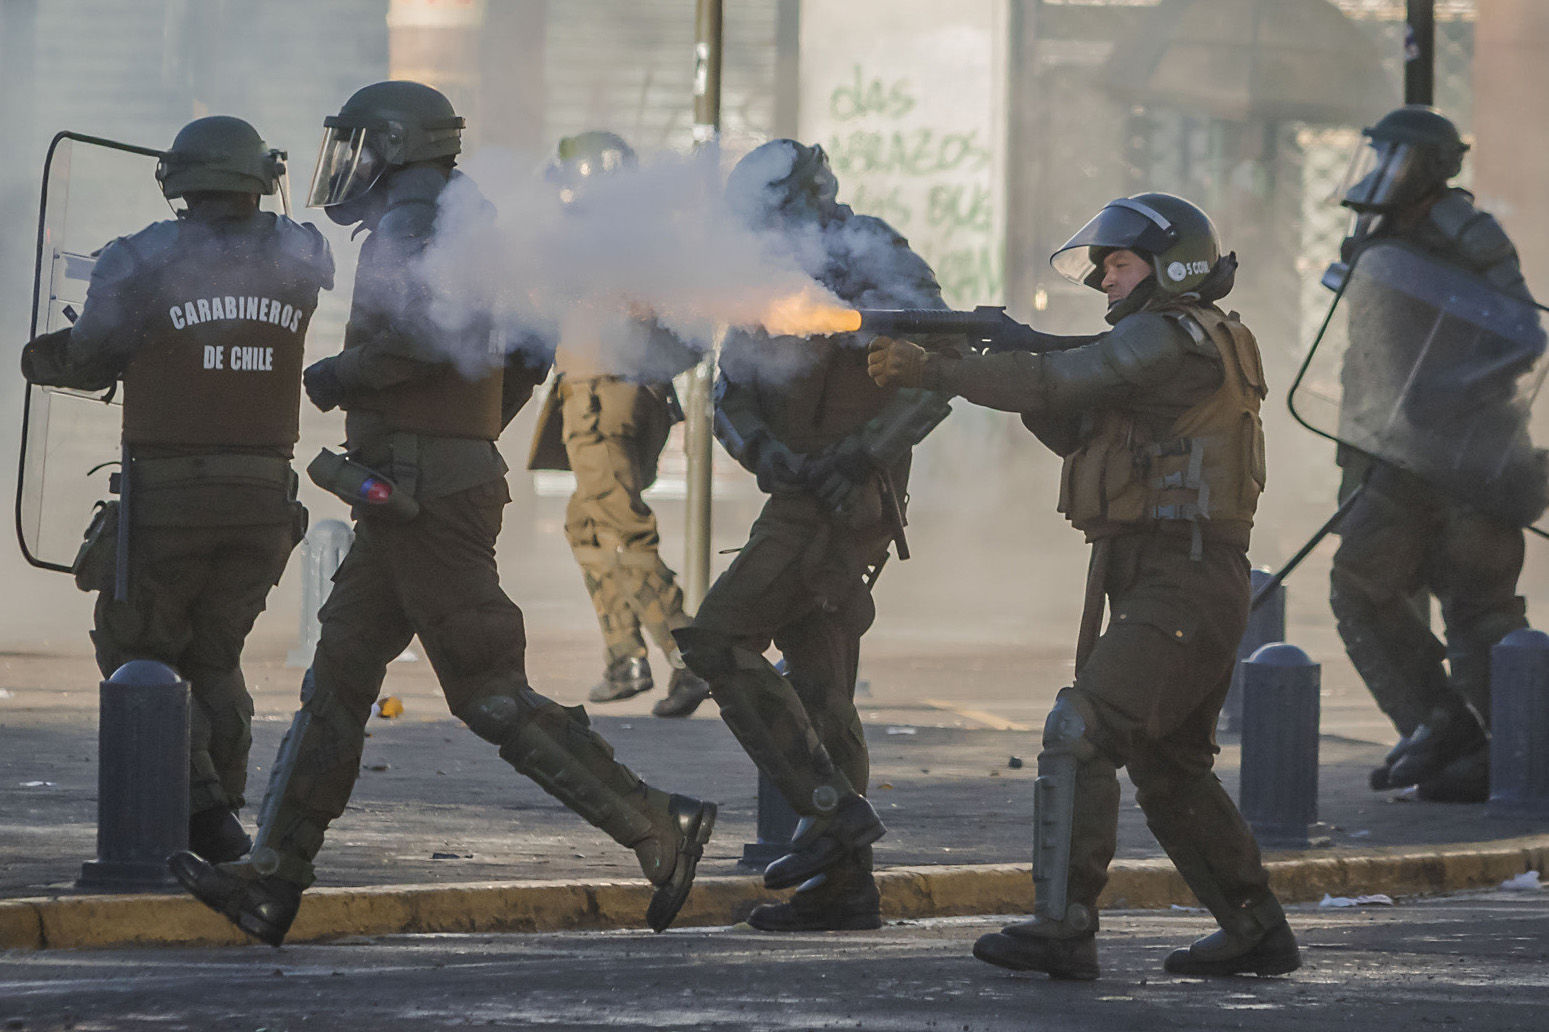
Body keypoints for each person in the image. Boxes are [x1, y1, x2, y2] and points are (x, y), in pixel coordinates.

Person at [169, 81, 715, 946]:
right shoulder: (471, 222)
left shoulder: (414, 226)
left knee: (488, 692)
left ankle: (656, 825)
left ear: (392, 144)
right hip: (418, 482)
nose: (347, 164)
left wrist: (338, 379)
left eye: (358, 145)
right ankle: (272, 880)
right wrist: (470, 433)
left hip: (425, 494)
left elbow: (425, 338)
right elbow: (531, 346)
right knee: (339, 681)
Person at [869, 193, 1299, 979]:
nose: (1104, 278)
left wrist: (937, 368)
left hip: (1182, 577)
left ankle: (1061, 928)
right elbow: (1071, 422)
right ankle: (1254, 929)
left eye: (1120, 263)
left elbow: (1056, 381)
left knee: (1081, 728)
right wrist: (981, 360)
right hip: (1170, 576)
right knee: (1170, 770)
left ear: (1172, 269)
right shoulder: (1170, 347)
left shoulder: (1170, 339)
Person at [21, 116, 333, 864]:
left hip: (172, 497)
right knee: (215, 656)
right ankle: (221, 816)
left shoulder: (141, 258)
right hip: (264, 498)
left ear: (179, 182)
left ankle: (202, 821)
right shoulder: (300, 255)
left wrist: (48, 355)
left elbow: (92, 356)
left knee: (140, 654)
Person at [673, 139, 947, 932]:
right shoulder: (762, 275)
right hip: (797, 491)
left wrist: (861, 456)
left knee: (716, 638)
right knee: (823, 694)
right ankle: (845, 884)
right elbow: (731, 393)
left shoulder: (874, 256)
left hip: (847, 502)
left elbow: (938, 375)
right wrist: (771, 453)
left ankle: (828, 813)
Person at [1325, 106, 1539, 802]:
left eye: (1393, 159)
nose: (1376, 173)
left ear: (1427, 169)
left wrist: (1437, 393)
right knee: (1382, 590)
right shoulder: (1383, 231)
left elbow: (1521, 335)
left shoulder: (1459, 229)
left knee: (1471, 606)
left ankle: (1493, 748)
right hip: (1401, 456)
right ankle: (1455, 734)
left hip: (1462, 453)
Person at [527, 130, 711, 716]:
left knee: (621, 526)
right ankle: (624, 656)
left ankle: (687, 654)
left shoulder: (589, 236)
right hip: (630, 396)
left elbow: (537, 298)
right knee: (587, 526)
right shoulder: (649, 236)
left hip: (602, 400)